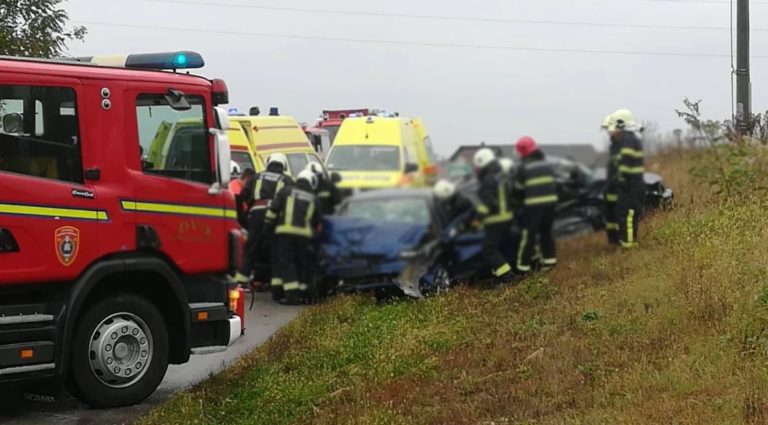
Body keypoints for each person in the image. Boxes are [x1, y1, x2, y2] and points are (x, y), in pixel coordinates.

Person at [234, 154, 293, 292]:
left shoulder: (257, 177)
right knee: (275, 248)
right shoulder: (287, 180)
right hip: (276, 216)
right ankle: (275, 283)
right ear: (283, 165)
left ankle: (241, 281)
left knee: (252, 246)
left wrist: (244, 215)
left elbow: (243, 196)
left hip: (257, 213)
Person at [264, 169, 322, 305]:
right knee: (303, 264)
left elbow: (273, 210)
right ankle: (303, 294)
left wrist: (267, 229)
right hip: (304, 236)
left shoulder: (286, 191)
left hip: (285, 234)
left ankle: (292, 296)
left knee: (287, 263)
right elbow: (316, 221)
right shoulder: (314, 198)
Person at [512, 136, 559, 273]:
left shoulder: (524, 167)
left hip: (534, 207)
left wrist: (514, 205)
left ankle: (523, 268)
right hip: (550, 205)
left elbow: (518, 191)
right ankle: (550, 264)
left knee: (528, 236)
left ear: (523, 152)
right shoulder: (546, 164)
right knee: (546, 234)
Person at [473, 148, 516, 284]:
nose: (477, 170)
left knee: (489, 250)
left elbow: (486, 205)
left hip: (495, 221)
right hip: (508, 219)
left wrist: (476, 219)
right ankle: (500, 277)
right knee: (502, 249)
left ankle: (507, 277)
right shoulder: (503, 175)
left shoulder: (488, 179)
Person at [610, 109, 646, 249]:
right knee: (628, 214)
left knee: (628, 214)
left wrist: (621, 178)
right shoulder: (629, 138)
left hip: (630, 184)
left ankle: (629, 244)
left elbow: (625, 161)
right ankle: (627, 242)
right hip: (631, 183)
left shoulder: (628, 139)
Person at [602, 114, 621, 245]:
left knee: (619, 215)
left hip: (618, 189)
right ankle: (613, 240)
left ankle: (619, 239)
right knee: (611, 217)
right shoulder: (614, 146)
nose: (608, 132)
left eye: (609, 129)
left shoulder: (622, 145)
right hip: (611, 189)